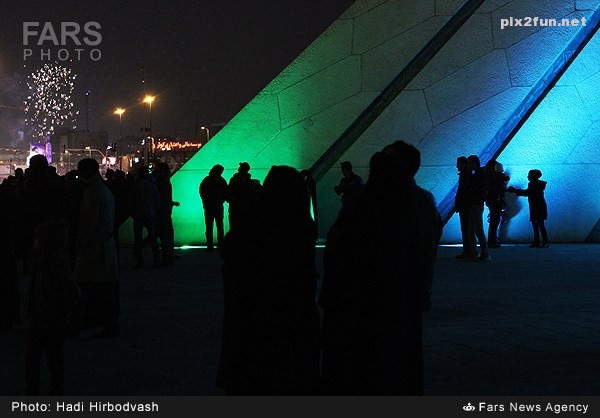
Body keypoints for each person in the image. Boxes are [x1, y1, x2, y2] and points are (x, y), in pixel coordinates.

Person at [320, 141, 442, 395]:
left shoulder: (369, 204)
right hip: (405, 299)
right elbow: (426, 252)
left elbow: (342, 253)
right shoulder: (421, 202)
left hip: (369, 303)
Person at [217, 166, 320, 395]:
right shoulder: (303, 228)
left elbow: (230, 254)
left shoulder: (253, 225)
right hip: (295, 329)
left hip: (252, 329)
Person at [70, 158, 120, 339]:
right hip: (103, 246)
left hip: (94, 248)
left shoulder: (92, 193)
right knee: (104, 289)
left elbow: (88, 223)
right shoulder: (102, 190)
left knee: (87, 288)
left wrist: (80, 243)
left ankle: (81, 324)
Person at [128, 166, 161, 268]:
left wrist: (132, 213)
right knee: (153, 239)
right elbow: (157, 202)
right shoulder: (152, 187)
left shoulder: (135, 187)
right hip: (150, 214)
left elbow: (130, 202)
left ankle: (140, 261)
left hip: (138, 215)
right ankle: (156, 260)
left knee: (138, 239)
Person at [507, 169, 549, 248]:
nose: (527, 177)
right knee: (540, 224)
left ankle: (540, 241)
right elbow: (529, 192)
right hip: (539, 206)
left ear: (533, 176)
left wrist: (515, 190)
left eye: (529, 175)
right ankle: (542, 241)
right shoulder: (538, 184)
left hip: (536, 206)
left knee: (537, 224)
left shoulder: (533, 184)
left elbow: (528, 193)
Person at [465, 155, 490, 262]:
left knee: (476, 230)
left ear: (474, 163)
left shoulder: (477, 175)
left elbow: (474, 189)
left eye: (469, 163)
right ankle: (479, 253)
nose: (468, 165)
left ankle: (482, 253)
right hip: (476, 204)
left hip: (475, 204)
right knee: (474, 230)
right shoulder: (480, 174)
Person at [154, 162, 179, 265]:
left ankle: (167, 255)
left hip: (163, 210)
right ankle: (167, 255)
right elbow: (164, 197)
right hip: (165, 211)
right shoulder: (164, 181)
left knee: (163, 233)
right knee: (166, 233)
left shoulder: (159, 180)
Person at [199, 164, 228, 252]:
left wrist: (205, 201)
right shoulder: (222, 180)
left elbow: (202, 191)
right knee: (219, 227)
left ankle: (210, 246)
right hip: (217, 206)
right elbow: (225, 192)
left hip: (209, 207)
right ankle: (220, 245)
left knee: (209, 227)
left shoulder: (207, 180)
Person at [227, 162, 261, 231]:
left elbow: (229, 192)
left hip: (235, 207)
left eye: (240, 167)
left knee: (234, 225)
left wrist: (229, 199)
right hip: (245, 207)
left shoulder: (234, 180)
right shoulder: (250, 182)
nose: (239, 168)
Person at [485, 160, 510, 248]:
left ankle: (491, 241)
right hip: (496, 201)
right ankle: (492, 241)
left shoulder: (489, 177)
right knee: (495, 222)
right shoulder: (498, 177)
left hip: (492, 201)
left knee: (493, 222)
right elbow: (504, 181)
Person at [454, 156, 471, 259]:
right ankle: (468, 250)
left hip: (464, 205)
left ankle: (467, 251)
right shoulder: (467, 174)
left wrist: (458, 203)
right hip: (465, 205)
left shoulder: (464, 176)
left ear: (463, 164)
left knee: (465, 228)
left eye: (458, 164)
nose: (457, 166)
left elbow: (462, 191)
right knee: (466, 228)